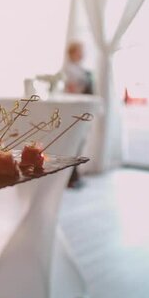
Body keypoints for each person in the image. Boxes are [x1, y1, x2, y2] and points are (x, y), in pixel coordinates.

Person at [62, 40, 93, 188]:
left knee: (80, 141)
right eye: (80, 51)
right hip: (74, 109)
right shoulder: (69, 70)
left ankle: (74, 174)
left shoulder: (79, 69)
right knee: (73, 141)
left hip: (82, 108)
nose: (82, 54)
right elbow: (72, 89)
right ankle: (70, 177)